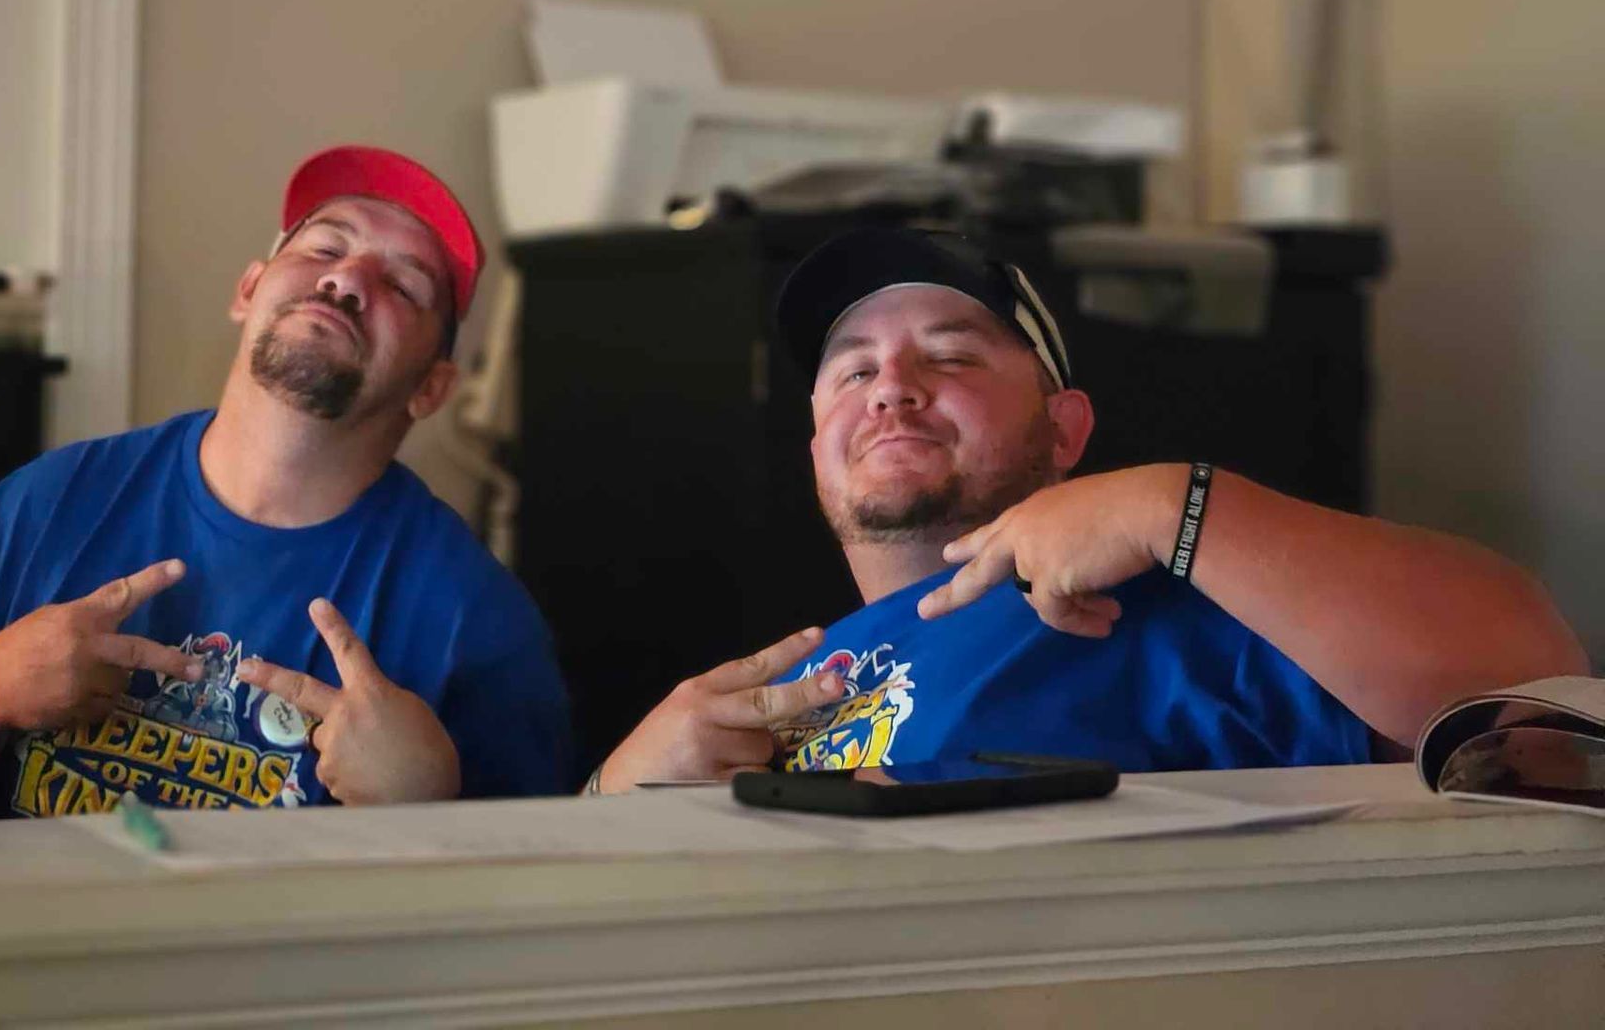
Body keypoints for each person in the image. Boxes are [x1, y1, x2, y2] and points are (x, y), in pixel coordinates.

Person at [592, 226, 1587, 791]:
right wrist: (615, 794)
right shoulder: (773, 685)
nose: (890, 387)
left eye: (950, 356)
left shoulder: (1172, 615)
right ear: (816, 450)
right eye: (852, 372)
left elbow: (1535, 702)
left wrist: (1173, 505)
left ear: (1064, 432)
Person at [0, 145, 571, 815]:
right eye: (325, 248)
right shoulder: (40, 507)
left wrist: (427, 811)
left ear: (431, 388)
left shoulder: (478, 620)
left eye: (402, 286)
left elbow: (543, 875)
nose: (346, 280)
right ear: (248, 290)